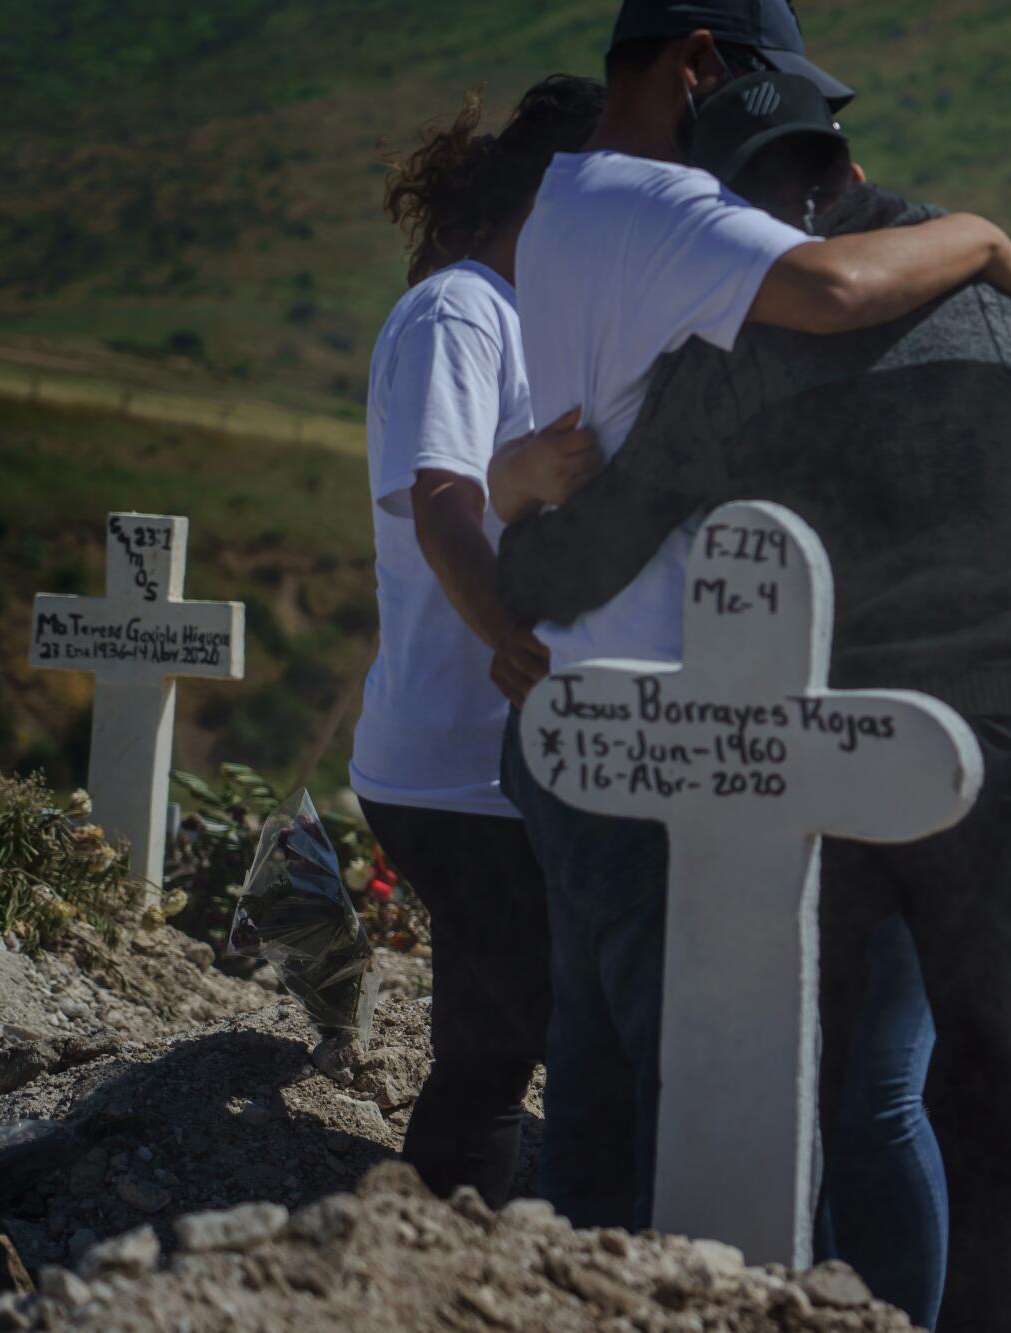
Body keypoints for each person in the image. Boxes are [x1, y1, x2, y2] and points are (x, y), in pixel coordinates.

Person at [485, 0, 1011, 1240]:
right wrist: (983, 236)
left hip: (573, 699)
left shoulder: (565, 204)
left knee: (592, 1075)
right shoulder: (661, 205)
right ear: (697, 65)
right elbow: (834, 285)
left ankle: (573, 1297)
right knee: (699, 1103)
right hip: (675, 729)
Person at [347, 75, 605, 1207]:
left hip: (480, 762)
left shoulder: (512, 316)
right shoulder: (461, 311)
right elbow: (447, 499)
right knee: (509, 1054)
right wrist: (506, 633)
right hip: (460, 765)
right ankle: (444, 1268)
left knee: (497, 1046)